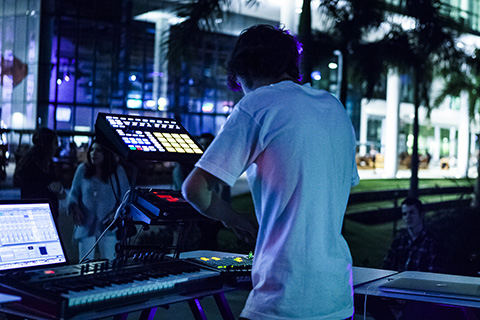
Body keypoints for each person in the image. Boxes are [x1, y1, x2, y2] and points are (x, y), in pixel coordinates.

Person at [182, 24, 359, 320]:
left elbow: (195, 189)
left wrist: (235, 219)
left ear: (243, 70)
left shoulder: (257, 104)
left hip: (284, 298)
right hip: (338, 299)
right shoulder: (334, 107)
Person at [68, 140, 130, 262]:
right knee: (85, 262)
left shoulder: (117, 171)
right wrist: (74, 208)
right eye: (92, 150)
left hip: (108, 225)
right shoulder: (83, 170)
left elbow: (126, 195)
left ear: (106, 154)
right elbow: (74, 192)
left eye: (98, 150)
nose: (93, 153)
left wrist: (116, 214)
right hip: (86, 223)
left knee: (109, 260)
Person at [14, 128, 66, 220]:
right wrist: (49, 189)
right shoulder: (30, 165)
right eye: (55, 143)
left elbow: (57, 186)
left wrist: (59, 190)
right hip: (35, 212)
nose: (57, 147)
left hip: (50, 211)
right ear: (47, 145)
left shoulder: (48, 163)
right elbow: (28, 191)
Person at [383, 197, 443, 272]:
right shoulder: (398, 242)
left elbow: (433, 274)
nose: (408, 217)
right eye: (404, 214)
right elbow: (386, 269)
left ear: (421, 215)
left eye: (411, 212)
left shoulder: (432, 243)